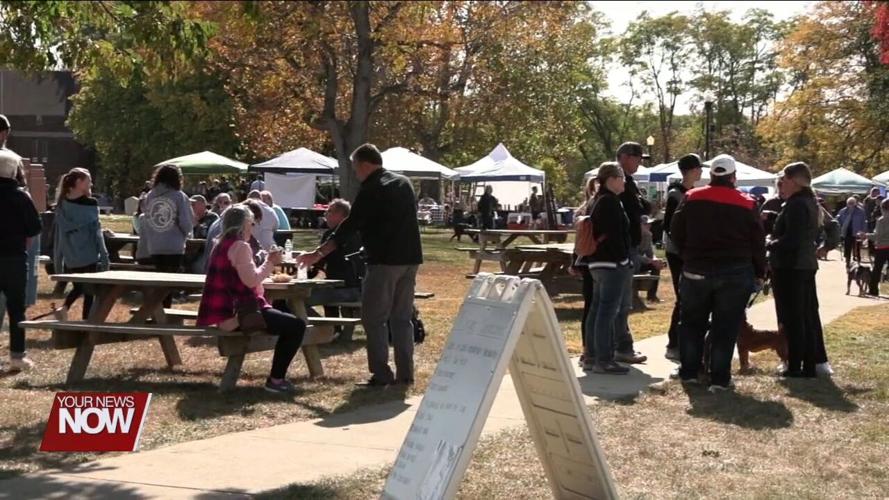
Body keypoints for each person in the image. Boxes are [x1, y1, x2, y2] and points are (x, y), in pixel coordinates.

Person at [298, 144, 422, 386]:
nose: (356, 174)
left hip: (384, 261)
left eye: (356, 169)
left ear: (365, 165)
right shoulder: (404, 183)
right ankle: (406, 374)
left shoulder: (372, 188)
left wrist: (319, 253)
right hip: (410, 259)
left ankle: (381, 373)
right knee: (401, 317)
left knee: (373, 318)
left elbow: (349, 226)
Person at [670, 154, 767, 391]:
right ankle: (719, 379)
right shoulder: (747, 202)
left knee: (692, 323)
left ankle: (689, 372)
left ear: (711, 175)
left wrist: (688, 256)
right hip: (734, 272)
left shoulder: (691, 197)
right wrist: (760, 272)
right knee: (726, 327)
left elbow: (675, 231)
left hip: (696, 270)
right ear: (734, 177)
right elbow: (757, 242)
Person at [197, 205, 306, 393]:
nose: (252, 227)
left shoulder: (220, 244)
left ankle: (277, 379)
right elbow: (251, 280)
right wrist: (271, 261)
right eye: (251, 223)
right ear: (243, 224)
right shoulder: (240, 246)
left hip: (223, 313)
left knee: (284, 316)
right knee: (297, 326)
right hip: (238, 315)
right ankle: (276, 380)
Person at [768, 162, 831, 377]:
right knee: (806, 315)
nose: (781, 183)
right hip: (804, 265)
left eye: (784, 179)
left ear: (794, 181)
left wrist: (770, 243)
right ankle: (811, 363)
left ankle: (796, 365)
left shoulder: (796, 204)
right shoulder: (809, 202)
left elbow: (791, 239)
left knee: (793, 317)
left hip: (791, 266)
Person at [578, 162, 633, 374]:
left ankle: (591, 355)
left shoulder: (596, 200)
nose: (625, 181)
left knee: (597, 309)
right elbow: (615, 234)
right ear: (612, 179)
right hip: (611, 263)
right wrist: (623, 259)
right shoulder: (610, 202)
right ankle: (604, 358)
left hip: (596, 262)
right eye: (622, 177)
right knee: (607, 312)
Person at [0, 148, 42, 371]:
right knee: (16, 308)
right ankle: (17, 356)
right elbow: (34, 228)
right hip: (14, 259)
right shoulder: (20, 196)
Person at [52, 168, 111, 321]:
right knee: (88, 290)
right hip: (89, 252)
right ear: (78, 182)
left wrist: (58, 259)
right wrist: (104, 255)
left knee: (79, 286)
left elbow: (60, 236)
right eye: (88, 180)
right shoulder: (91, 204)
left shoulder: (61, 205)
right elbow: (97, 232)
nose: (91, 183)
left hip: (71, 254)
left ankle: (64, 309)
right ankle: (86, 321)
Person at [662, 153, 703, 360]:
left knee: (689, 297)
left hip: (691, 251)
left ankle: (685, 340)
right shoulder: (676, 194)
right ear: (692, 170)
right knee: (682, 296)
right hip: (677, 252)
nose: (701, 171)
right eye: (699, 168)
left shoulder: (694, 192)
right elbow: (669, 225)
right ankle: (674, 342)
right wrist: (684, 248)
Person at [613, 142, 647, 364]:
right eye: (637, 157)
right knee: (621, 303)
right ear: (624, 157)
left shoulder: (630, 183)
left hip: (629, 247)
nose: (639, 162)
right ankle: (621, 346)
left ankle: (616, 345)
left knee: (622, 302)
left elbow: (640, 207)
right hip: (621, 250)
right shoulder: (617, 184)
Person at [141, 165, 194, 306]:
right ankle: (164, 311)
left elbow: (146, 219)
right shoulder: (179, 196)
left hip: (155, 245)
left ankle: (158, 311)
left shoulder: (150, 195)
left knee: (160, 281)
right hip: (174, 245)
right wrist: (185, 233)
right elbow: (187, 223)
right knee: (169, 283)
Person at [306, 199, 362, 323]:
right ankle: (333, 328)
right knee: (327, 287)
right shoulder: (360, 234)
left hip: (345, 289)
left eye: (328, 212)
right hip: (361, 287)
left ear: (340, 215)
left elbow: (316, 265)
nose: (325, 215)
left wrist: (299, 273)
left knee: (298, 299)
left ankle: (325, 328)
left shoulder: (332, 235)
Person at [863, 198, 889, 296]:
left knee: (877, 270)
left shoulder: (881, 220)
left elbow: (878, 235)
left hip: (882, 247)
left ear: (883, 208)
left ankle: (873, 290)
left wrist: (866, 235)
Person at [638, 216, 666, 302]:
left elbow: (650, 253)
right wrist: (651, 261)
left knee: (656, 266)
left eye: (650, 224)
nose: (649, 226)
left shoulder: (648, 235)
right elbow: (633, 255)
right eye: (646, 224)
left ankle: (652, 296)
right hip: (631, 263)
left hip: (641, 262)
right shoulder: (633, 236)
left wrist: (656, 260)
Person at [837, 196, 866, 265]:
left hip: (857, 232)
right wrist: (839, 228)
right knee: (847, 247)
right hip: (847, 232)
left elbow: (864, 222)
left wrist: (864, 232)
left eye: (852, 203)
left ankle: (858, 261)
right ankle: (848, 261)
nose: (851, 204)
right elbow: (838, 220)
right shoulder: (843, 211)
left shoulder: (860, 211)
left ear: (855, 203)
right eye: (849, 203)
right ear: (847, 203)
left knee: (857, 248)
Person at [864, 187, 884, 256]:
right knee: (871, 235)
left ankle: (875, 250)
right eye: (877, 192)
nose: (878, 194)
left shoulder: (880, 200)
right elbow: (867, 211)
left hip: (876, 221)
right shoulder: (867, 200)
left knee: (875, 235)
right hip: (871, 221)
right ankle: (872, 251)